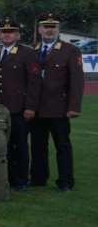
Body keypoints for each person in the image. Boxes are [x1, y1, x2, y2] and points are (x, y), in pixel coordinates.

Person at [30, 13, 83, 191]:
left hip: (59, 108)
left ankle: (66, 181)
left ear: (58, 29)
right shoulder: (33, 50)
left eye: (53, 27)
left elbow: (77, 81)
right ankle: (38, 178)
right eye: (46, 26)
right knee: (38, 146)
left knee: (62, 146)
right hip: (37, 108)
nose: (49, 30)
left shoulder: (70, 50)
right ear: (39, 29)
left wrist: (74, 107)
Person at [0, 17, 40, 191]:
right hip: (0, 108)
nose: (7, 35)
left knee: (21, 145)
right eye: (3, 31)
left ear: (18, 35)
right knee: (4, 145)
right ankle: (7, 177)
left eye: (10, 32)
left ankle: (21, 179)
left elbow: (34, 82)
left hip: (20, 109)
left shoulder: (28, 53)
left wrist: (30, 107)